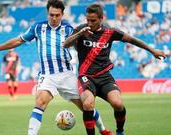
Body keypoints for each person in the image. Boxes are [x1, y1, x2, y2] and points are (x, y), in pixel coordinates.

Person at [0, 0, 112, 135]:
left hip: (67, 74)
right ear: (47, 13)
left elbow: (84, 47)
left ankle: (102, 129)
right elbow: (18, 40)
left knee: (86, 106)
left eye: (57, 15)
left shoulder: (69, 29)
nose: (54, 18)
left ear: (62, 14)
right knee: (40, 102)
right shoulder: (38, 28)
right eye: (51, 15)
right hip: (47, 75)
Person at [63, 4, 166, 135]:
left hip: (104, 76)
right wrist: (79, 34)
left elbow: (133, 40)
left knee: (118, 104)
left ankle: (120, 132)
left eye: (93, 20)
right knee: (88, 104)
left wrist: (152, 51)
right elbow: (66, 44)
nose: (89, 23)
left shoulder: (110, 32)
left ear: (101, 18)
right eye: (87, 19)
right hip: (86, 76)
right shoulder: (81, 30)